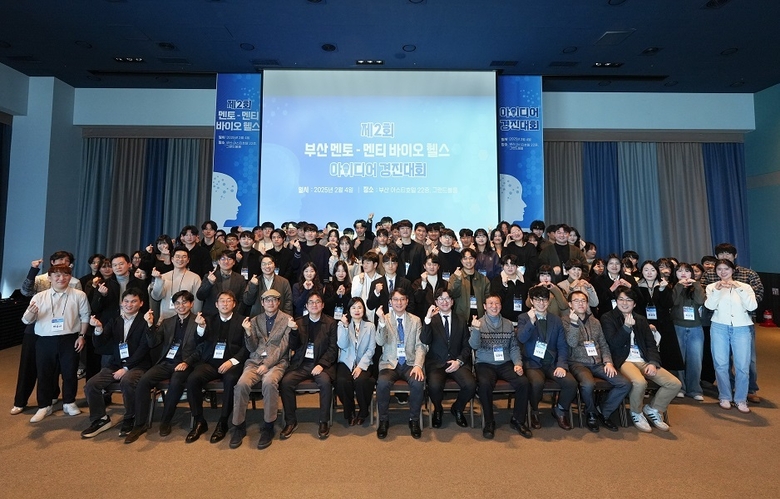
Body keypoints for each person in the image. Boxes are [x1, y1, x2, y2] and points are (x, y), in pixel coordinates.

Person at [124, 290, 203, 443]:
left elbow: (201, 348)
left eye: (184, 302)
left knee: (176, 382)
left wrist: (187, 362)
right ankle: (139, 423)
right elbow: (153, 342)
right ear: (173, 305)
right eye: (177, 303)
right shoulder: (168, 322)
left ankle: (166, 420)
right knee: (144, 381)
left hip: (187, 363)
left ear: (191, 304)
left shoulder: (198, 321)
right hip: (167, 362)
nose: (181, 306)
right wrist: (149, 325)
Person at [601, 287, 682, 433]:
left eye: (628, 300)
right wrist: (626, 327)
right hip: (624, 360)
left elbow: (651, 344)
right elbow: (613, 344)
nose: (624, 303)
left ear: (634, 304)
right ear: (616, 301)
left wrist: (653, 363)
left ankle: (653, 409)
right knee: (639, 382)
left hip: (643, 359)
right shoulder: (608, 318)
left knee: (674, 383)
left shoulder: (641, 319)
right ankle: (636, 412)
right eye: (621, 299)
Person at [21, 264, 90, 423]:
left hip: (70, 338)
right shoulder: (40, 297)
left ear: (70, 277)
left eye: (66, 275)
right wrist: (31, 313)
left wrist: (81, 336)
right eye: (57, 275)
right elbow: (25, 320)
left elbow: (85, 316)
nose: (61, 278)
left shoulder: (79, 295)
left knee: (70, 372)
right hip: (45, 340)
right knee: (44, 373)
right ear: (50, 278)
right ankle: (44, 406)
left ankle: (69, 402)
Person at [81, 289, 153, 438]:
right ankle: (100, 419)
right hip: (116, 364)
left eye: (133, 301)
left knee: (127, 381)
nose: (129, 304)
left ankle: (130, 417)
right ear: (121, 303)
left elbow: (144, 348)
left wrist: (126, 368)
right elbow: (100, 344)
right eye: (126, 301)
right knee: (91, 384)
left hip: (139, 365)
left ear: (141, 303)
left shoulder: (145, 321)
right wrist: (98, 329)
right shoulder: (115, 321)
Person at [230, 289, 293, 450]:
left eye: (274, 300)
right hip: (255, 361)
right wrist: (248, 332)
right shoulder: (255, 320)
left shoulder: (287, 320)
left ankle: (268, 426)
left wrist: (268, 364)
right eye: (267, 300)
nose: (271, 303)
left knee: (269, 382)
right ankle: (238, 426)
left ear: (278, 302)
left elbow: (283, 347)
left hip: (277, 362)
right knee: (241, 384)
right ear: (262, 303)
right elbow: (251, 347)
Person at [701, 243, 764, 404]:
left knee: (745, 363)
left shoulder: (747, 279)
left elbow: (754, 303)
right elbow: (709, 305)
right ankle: (725, 395)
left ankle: (745, 394)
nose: (723, 271)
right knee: (721, 363)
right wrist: (717, 290)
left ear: (734, 261)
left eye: (728, 254)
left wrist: (738, 288)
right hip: (719, 325)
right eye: (721, 255)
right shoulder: (711, 283)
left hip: (742, 325)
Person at [184, 291, 248, 443]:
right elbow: (199, 341)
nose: (225, 304)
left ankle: (223, 422)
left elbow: (247, 347)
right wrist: (200, 327)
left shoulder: (243, 320)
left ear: (234, 304)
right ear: (216, 304)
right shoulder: (208, 320)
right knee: (192, 379)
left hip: (231, 363)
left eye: (228, 300)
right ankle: (199, 421)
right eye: (222, 301)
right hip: (211, 363)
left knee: (231, 380)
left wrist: (232, 361)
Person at [563, 291, 630, 432]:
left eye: (583, 301)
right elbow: (571, 343)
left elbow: (603, 344)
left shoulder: (595, 322)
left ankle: (603, 412)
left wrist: (608, 362)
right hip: (578, 363)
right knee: (588, 384)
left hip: (598, 363)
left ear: (587, 303)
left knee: (624, 384)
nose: (580, 304)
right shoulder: (565, 321)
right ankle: (591, 413)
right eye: (576, 301)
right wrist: (574, 323)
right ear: (570, 304)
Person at [469, 294, 531, 439]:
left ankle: (518, 420)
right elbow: (474, 346)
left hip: (505, 363)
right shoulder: (478, 323)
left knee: (523, 383)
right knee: (484, 384)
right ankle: (489, 422)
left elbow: (514, 347)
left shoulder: (508, 324)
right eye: (490, 304)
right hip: (485, 363)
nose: (494, 306)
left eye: (497, 303)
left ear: (501, 306)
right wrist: (476, 329)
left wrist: (518, 364)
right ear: (484, 306)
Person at [517, 286, 578, 431]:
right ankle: (534, 411)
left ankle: (560, 410)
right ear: (532, 301)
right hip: (532, 362)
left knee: (571, 383)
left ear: (548, 301)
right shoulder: (524, 318)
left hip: (552, 362)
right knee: (536, 383)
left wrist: (561, 365)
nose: (541, 303)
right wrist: (532, 321)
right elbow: (521, 338)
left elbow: (562, 345)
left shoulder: (556, 320)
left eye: (544, 300)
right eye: (537, 300)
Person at [375, 289, 427, 439]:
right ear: (390, 302)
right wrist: (382, 323)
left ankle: (414, 420)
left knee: (418, 382)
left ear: (407, 301)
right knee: (382, 384)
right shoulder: (384, 318)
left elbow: (420, 345)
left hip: (410, 363)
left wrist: (418, 365)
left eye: (402, 299)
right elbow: (380, 342)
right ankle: (383, 420)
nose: (399, 302)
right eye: (396, 300)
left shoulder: (415, 320)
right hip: (389, 364)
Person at [420, 288, 475, 429]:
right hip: (436, 363)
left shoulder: (461, 320)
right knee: (434, 386)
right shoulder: (431, 320)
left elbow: (467, 345)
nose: (444, 302)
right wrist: (427, 319)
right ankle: (438, 410)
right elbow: (424, 340)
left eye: (447, 299)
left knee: (470, 385)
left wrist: (459, 361)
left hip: (457, 362)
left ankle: (457, 408)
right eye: (440, 299)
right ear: (436, 302)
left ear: (452, 301)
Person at [635, 260, 684, 378]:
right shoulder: (637, 286)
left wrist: (662, 290)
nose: (649, 273)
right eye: (646, 270)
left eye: (652, 270)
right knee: (648, 351)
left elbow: (668, 304)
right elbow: (637, 308)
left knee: (667, 352)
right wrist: (646, 323)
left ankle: (669, 379)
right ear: (642, 271)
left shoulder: (663, 285)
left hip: (663, 323)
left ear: (657, 272)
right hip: (644, 323)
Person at [335, 297, 376, 426]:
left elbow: (371, 349)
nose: (357, 310)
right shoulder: (342, 324)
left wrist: (360, 366)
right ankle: (350, 411)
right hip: (346, 362)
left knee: (362, 381)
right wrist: (345, 327)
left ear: (364, 310)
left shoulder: (370, 326)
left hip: (364, 362)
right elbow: (342, 345)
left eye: (359, 307)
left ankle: (363, 411)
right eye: (353, 307)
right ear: (349, 310)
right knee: (342, 381)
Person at [671, 262, 706, 401]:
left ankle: (694, 389)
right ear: (675, 273)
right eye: (679, 271)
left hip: (695, 327)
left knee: (695, 360)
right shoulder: (672, 286)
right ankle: (680, 387)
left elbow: (700, 301)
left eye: (686, 271)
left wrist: (695, 284)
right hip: (677, 326)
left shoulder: (697, 286)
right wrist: (679, 286)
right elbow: (673, 302)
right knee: (679, 359)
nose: (683, 273)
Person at [149, 247, 203, 322]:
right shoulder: (163, 277)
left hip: (186, 320)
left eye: (184, 257)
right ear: (172, 259)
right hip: (165, 319)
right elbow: (156, 297)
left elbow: (197, 302)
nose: (180, 259)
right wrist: (158, 280)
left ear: (188, 260)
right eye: (177, 256)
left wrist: (195, 319)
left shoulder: (195, 278)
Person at [195, 250, 246, 317]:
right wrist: (210, 283)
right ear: (218, 262)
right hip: (210, 316)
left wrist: (237, 314)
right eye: (223, 259)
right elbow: (200, 296)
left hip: (232, 316)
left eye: (229, 259)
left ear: (234, 262)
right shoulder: (209, 276)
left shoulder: (240, 279)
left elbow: (242, 300)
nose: (226, 261)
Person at [448, 248, 491, 324]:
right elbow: (452, 295)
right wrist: (458, 279)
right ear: (461, 261)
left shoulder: (483, 279)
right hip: (460, 319)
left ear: (475, 260)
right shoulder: (454, 277)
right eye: (465, 258)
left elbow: (488, 299)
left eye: (471, 258)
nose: (468, 261)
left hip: (480, 318)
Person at [489, 253, 529, 323]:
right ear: (502, 266)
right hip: (503, 320)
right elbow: (496, 300)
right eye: (507, 265)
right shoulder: (497, 281)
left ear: (517, 266)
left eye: (512, 265)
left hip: (522, 319)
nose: (510, 268)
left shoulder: (525, 281)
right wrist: (505, 286)